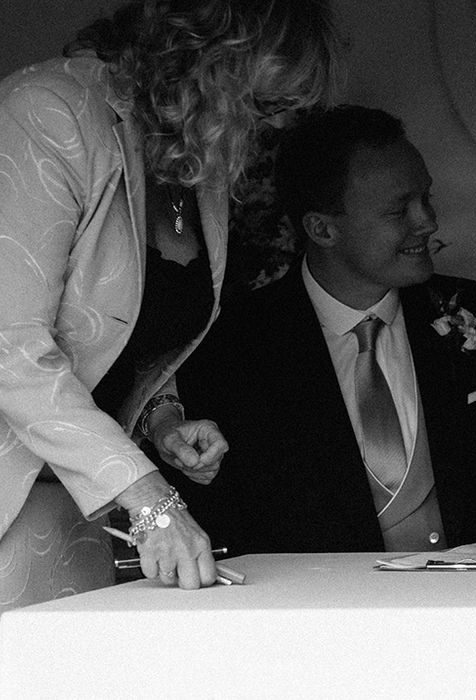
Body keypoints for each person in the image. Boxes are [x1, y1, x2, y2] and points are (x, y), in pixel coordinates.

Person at [0, 0, 341, 609]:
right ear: (206, 62)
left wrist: (161, 420)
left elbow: (123, 329)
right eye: (266, 106)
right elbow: (10, 348)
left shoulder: (194, 159)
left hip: (79, 503)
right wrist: (150, 497)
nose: (277, 132)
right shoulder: (47, 114)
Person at [162, 105, 476, 555]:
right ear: (322, 228)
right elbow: (219, 523)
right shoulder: (233, 345)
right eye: (398, 210)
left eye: (426, 198)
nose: (427, 221)